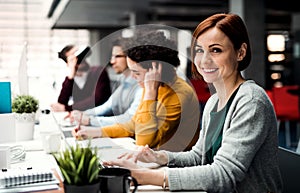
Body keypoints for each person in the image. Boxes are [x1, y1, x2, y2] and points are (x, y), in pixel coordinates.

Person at [103, 13, 283, 192]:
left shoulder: (251, 101)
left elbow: (223, 174)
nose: (204, 60)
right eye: (199, 50)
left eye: (216, 50)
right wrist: (158, 157)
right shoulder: (214, 102)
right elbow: (199, 156)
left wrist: (140, 176)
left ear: (240, 52)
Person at [73, 31, 200, 151]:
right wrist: (96, 132)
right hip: (156, 158)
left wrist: (150, 94)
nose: (133, 77)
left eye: (136, 72)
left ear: (154, 70)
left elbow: (144, 142)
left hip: (175, 164)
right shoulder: (154, 85)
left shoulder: (177, 93)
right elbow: (134, 123)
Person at [69, 38, 143, 127]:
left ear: (130, 57)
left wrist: (90, 120)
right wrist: (82, 114)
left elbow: (130, 118)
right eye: (112, 57)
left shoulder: (141, 85)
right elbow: (107, 106)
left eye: (117, 56)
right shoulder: (123, 80)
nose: (112, 61)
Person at [51, 45, 111, 112]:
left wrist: (68, 108)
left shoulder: (98, 71)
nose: (79, 58)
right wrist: (71, 76)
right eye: (72, 58)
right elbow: (61, 104)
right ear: (67, 63)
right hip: (80, 118)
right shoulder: (70, 80)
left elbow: (96, 99)